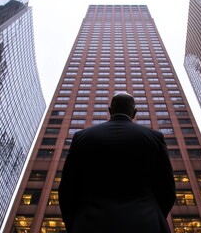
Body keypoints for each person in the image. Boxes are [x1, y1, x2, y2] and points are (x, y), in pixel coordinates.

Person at [58, 92, 176, 233]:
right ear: (135, 112)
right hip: (146, 222)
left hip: (90, 223)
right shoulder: (155, 137)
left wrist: (75, 222)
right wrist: (155, 214)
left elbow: (67, 188)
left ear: (109, 110)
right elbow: (167, 188)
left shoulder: (82, 137)